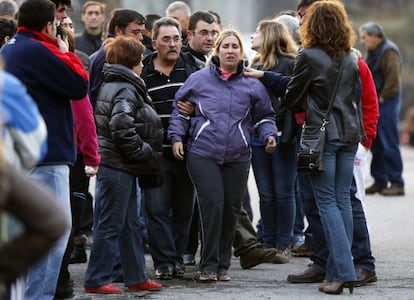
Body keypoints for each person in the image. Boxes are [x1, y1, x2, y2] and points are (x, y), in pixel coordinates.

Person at [168, 29, 278, 282]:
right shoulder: (199, 79)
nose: (230, 50)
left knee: (231, 209)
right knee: (212, 204)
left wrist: (269, 134)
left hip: (238, 155)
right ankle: (207, 265)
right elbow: (180, 109)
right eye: (225, 46)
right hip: (203, 152)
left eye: (235, 46)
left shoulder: (253, 84)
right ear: (217, 51)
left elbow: (264, 116)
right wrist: (176, 137)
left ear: (242, 52)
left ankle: (222, 266)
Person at [0, 0, 89, 299]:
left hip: (21, 156)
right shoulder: (39, 49)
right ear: (48, 25)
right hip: (47, 155)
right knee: (56, 229)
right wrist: (66, 53)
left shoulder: (10, 47)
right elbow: (79, 84)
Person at [283, 1, 364, 294]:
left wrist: (306, 102)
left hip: (322, 136)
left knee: (327, 203)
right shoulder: (352, 57)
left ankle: (342, 271)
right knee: (342, 201)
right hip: (349, 134)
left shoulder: (309, 55)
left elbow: (292, 96)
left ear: (312, 25)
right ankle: (342, 268)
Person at [83, 35, 163, 295]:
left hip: (122, 165)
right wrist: (144, 152)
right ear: (133, 60)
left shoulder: (120, 84)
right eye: (141, 58)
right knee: (110, 223)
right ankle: (96, 279)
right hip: (118, 165)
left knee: (130, 224)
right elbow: (121, 126)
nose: (144, 62)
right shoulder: (125, 87)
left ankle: (136, 276)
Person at [140, 17, 202, 280]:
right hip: (154, 153)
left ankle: (176, 258)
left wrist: (197, 108)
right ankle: (163, 261)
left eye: (176, 39)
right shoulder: (141, 71)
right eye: (166, 39)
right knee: (156, 209)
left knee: (184, 211)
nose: (173, 44)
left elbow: (214, 105)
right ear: (155, 43)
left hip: (187, 153)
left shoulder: (194, 70)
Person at [249, 19, 298, 264]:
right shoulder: (254, 63)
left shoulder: (291, 63)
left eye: (257, 32)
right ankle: (267, 242)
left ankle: (283, 244)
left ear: (268, 36)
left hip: (284, 136)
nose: (252, 36)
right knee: (265, 193)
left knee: (283, 191)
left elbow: (292, 94)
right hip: (258, 137)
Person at [359, 22, 405, 196]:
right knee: (376, 142)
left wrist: (380, 98)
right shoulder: (372, 51)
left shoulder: (388, 50)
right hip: (376, 103)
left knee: (389, 142)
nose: (363, 41)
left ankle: (396, 182)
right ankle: (379, 180)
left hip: (386, 101)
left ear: (374, 36)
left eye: (364, 37)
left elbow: (393, 81)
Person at [89, 9, 146, 107]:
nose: (141, 37)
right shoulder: (108, 54)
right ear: (118, 31)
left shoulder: (119, 52)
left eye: (142, 32)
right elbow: (97, 95)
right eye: (135, 32)